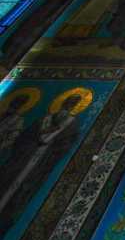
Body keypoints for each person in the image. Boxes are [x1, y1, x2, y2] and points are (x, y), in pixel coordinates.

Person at [0, 93, 83, 230]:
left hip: (41, 162)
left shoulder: (72, 125)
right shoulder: (45, 119)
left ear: (75, 106)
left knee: (24, 189)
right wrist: (33, 143)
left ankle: (6, 217)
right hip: (23, 158)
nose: (68, 106)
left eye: (72, 104)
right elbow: (23, 137)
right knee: (6, 179)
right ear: (63, 103)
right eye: (67, 102)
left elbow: (65, 145)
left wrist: (50, 150)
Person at [1, 0, 92, 68]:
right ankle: (7, 57)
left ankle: (13, 59)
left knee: (30, 38)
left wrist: (54, 16)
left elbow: (66, 5)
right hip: (42, 12)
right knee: (22, 33)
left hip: (50, 14)